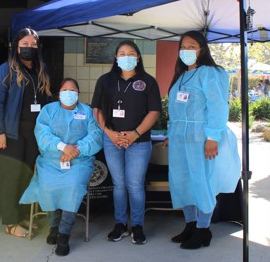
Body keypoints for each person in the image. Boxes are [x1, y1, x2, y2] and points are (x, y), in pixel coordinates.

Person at [164, 30, 241, 250]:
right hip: (180, 139)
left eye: (191, 46)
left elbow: (218, 106)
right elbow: (177, 110)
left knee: (201, 182)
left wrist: (213, 137)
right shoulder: (181, 76)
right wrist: (172, 134)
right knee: (181, 181)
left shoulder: (209, 73)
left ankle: (203, 229)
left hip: (200, 138)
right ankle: (190, 224)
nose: (186, 51)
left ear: (202, 50)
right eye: (183, 47)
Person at [19, 78, 103, 256]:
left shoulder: (87, 112)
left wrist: (76, 150)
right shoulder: (48, 111)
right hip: (51, 159)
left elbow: (95, 136)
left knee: (72, 185)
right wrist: (63, 147)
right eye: (65, 89)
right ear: (59, 93)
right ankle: (53, 227)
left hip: (79, 161)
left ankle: (64, 233)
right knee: (48, 186)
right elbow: (42, 134)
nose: (69, 93)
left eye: (73, 90)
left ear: (78, 94)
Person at [91, 40, 161, 245]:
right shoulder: (105, 80)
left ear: (138, 57)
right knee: (119, 184)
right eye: (122, 53)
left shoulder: (148, 82)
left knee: (135, 184)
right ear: (116, 58)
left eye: (131, 53)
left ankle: (137, 226)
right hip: (112, 140)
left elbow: (154, 111)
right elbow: (97, 110)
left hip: (139, 142)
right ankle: (120, 224)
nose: (126, 57)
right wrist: (109, 133)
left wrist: (135, 134)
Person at [0, 27, 51, 238]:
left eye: (33, 45)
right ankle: (9, 221)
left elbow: (47, 102)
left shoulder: (41, 70)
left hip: (36, 134)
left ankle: (23, 214)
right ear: (16, 46)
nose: (29, 48)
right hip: (14, 133)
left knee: (27, 176)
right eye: (25, 44)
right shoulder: (6, 70)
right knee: (12, 177)